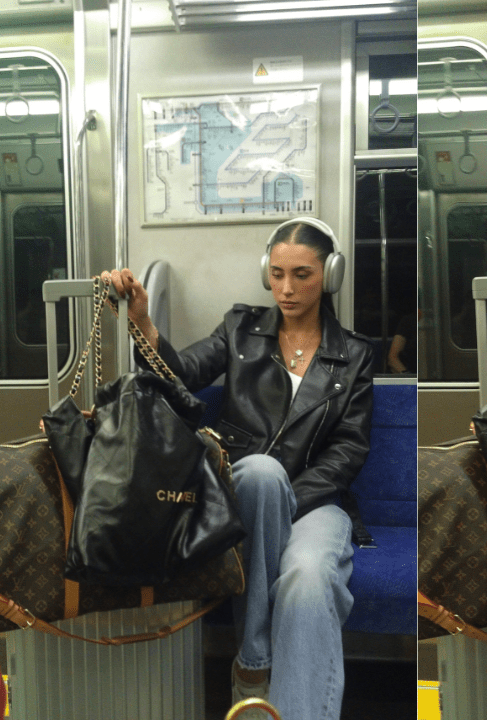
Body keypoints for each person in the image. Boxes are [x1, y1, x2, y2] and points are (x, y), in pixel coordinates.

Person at [104, 217, 374, 720]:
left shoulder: (354, 355)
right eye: (276, 274)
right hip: (242, 490)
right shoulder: (240, 328)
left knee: (310, 578)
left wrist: (288, 500)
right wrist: (142, 323)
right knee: (261, 475)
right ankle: (255, 660)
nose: (286, 288)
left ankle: (257, 674)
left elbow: (348, 452)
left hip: (317, 502)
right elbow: (179, 379)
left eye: (302, 275)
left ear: (330, 275)